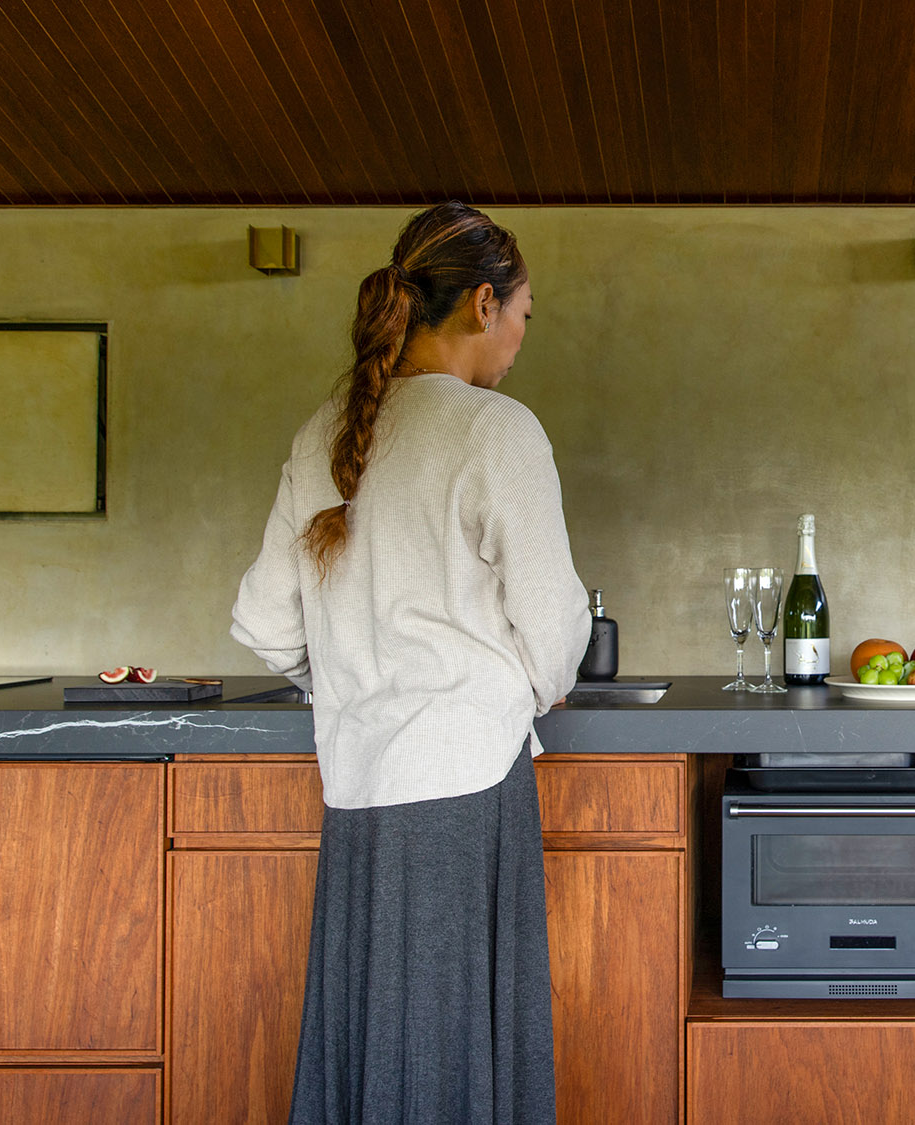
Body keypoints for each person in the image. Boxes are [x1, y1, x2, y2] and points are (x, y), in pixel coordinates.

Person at [231, 201, 590, 1124]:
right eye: (522, 316)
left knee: (375, 1033)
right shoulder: (495, 429)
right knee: (460, 1038)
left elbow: (265, 622)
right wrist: (529, 681)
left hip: (357, 783)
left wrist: (354, 679)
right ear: (482, 303)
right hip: (468, 779)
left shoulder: (325, 431)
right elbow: (554, 630)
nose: (519, 340)